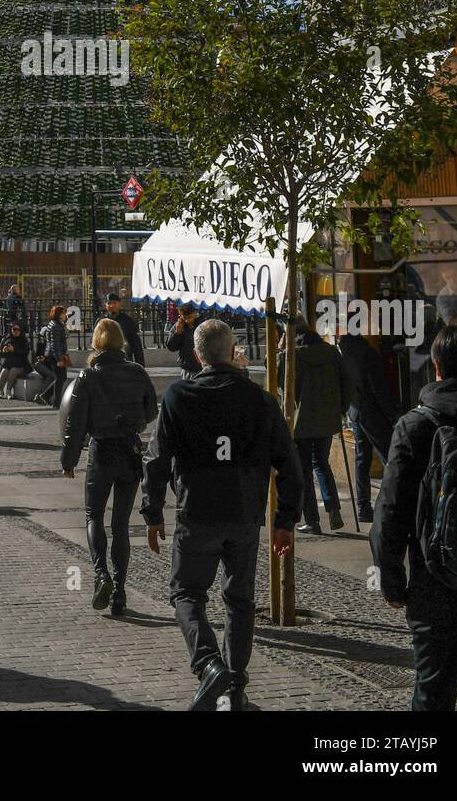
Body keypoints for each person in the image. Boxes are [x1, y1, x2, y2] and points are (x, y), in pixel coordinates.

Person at [141, 319, 303, 711]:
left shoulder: (179, 396)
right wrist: (285, 520)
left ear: (197, 356)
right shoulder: (260, 400)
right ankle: (235, 688)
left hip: (197, 510)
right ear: (233, 353)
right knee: (239, 600)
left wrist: (152, 511)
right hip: (244, 513)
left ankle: (209, 664)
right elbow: (290, 464)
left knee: (186, 593)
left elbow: (157, 459)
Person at [371, 324, 457, 711]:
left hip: (435, 584)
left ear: (436, 368)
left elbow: (390, 511)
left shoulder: (416, 426)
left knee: (433, 695)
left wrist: (391, 581)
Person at [62, 318, 158, 616]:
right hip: (129, 451)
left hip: (101, 450)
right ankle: (119, 592)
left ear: (96, 343)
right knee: (120, 526)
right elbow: (151, 411)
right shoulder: (137, 372)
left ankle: (100, 574)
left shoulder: (88, 377)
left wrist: (69, 460)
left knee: (93, 515)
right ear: (121, 342)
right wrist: (134, 422)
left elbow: (74, 425)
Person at [278, 318, 351, 535]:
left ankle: (312, 520)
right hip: (327, 419)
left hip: (301, 422)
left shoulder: (291, 356)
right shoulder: (330, 353)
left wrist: (280, 349)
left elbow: (277, 378)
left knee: (304, 471)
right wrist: (341, 409)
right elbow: (345, 382)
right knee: (321, 463)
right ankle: (333, 509)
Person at [338, 330, 397, 521]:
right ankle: (393, 503)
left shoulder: (345, 351)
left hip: (356, 411)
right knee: (388, 456)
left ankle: (364, 507)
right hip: (372, 411)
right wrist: (391, 414)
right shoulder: (366, 352)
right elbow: (377, 386)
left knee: (362, 459)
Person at [105, 292, 145, 366]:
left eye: (114, 303)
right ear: (105, 305)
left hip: (124, 361)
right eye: (109, 303)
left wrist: (140, 366)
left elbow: (136, 346)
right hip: (106, 362)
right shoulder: (101, 321)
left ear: (119, 304)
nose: (111, 305)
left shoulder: (128, 321)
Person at [165, 303, 203, 378]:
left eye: (189, 317)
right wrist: (177, 333)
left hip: (202, 367)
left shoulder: (201, 325)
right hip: (187, 368)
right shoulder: (178, 326)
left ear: (194, 314)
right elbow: (171, 347)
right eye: (184, 317)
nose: (187, 320)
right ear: (180, 315)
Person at [0, 322, 30, 400]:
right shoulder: (6, 339)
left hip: (21, 365)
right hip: (8, 364)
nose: (17, 331)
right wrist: (3, 351)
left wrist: (14, 350)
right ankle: (0, 390)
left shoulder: (23, 340)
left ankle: (8, 390)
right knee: (5, 371)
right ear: (11, 330)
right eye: (14, 329)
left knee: (13, 370)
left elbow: (25, 353)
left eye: (18, 329)